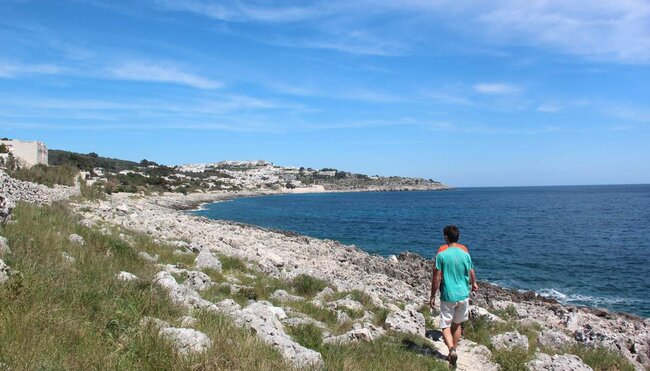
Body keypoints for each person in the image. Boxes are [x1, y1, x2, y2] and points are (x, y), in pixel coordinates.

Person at [429, 225, 478, 367]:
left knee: (445, 326)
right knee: (457, 325)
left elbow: (437, 278)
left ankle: (450, 350)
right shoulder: (465, 255)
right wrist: (474, 283)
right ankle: (454, 350)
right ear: (458, 237)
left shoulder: (441, 256)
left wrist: (432, 296)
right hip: (463, 294)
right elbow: (471, 271)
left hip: (448, 295)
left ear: (445, 238)